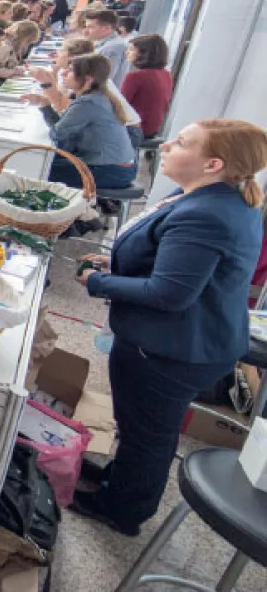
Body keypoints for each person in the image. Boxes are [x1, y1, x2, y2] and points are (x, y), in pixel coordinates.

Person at [72, 119, 267, 536]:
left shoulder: (208, 213)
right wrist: (116, 264)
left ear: (213, 163)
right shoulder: (207, 197)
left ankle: (123, 509)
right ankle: (120, 480)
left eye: (183, 143)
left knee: (149, 434)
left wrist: (97, 281)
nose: (168, 145)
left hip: (171, 349)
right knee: (139, 425)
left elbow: (169, 293)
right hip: (180, 341)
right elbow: (176, 264)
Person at [42, 54, 136, 189]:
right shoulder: (98, 96)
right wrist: (44, 105)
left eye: (70, 71)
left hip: (110, 171)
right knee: (47, 159)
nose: (64, 73)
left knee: (39, 165)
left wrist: (45, 107)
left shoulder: (89, 102)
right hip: (117, 167)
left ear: (87, 80)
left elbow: (58, 134)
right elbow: (63, 131)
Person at [120, 33, 172, 140]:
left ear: (143, 53)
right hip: (152, 129)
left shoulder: (136, 76)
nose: (127, 53)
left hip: (135, 130)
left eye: (131, 50)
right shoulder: (166, 74)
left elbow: (119, 105)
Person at [86, 9, 129, 88]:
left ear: (107, 28)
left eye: (90, 27)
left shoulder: (112, 48)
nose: (86, 31)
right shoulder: (106, 43)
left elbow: (103, 79)